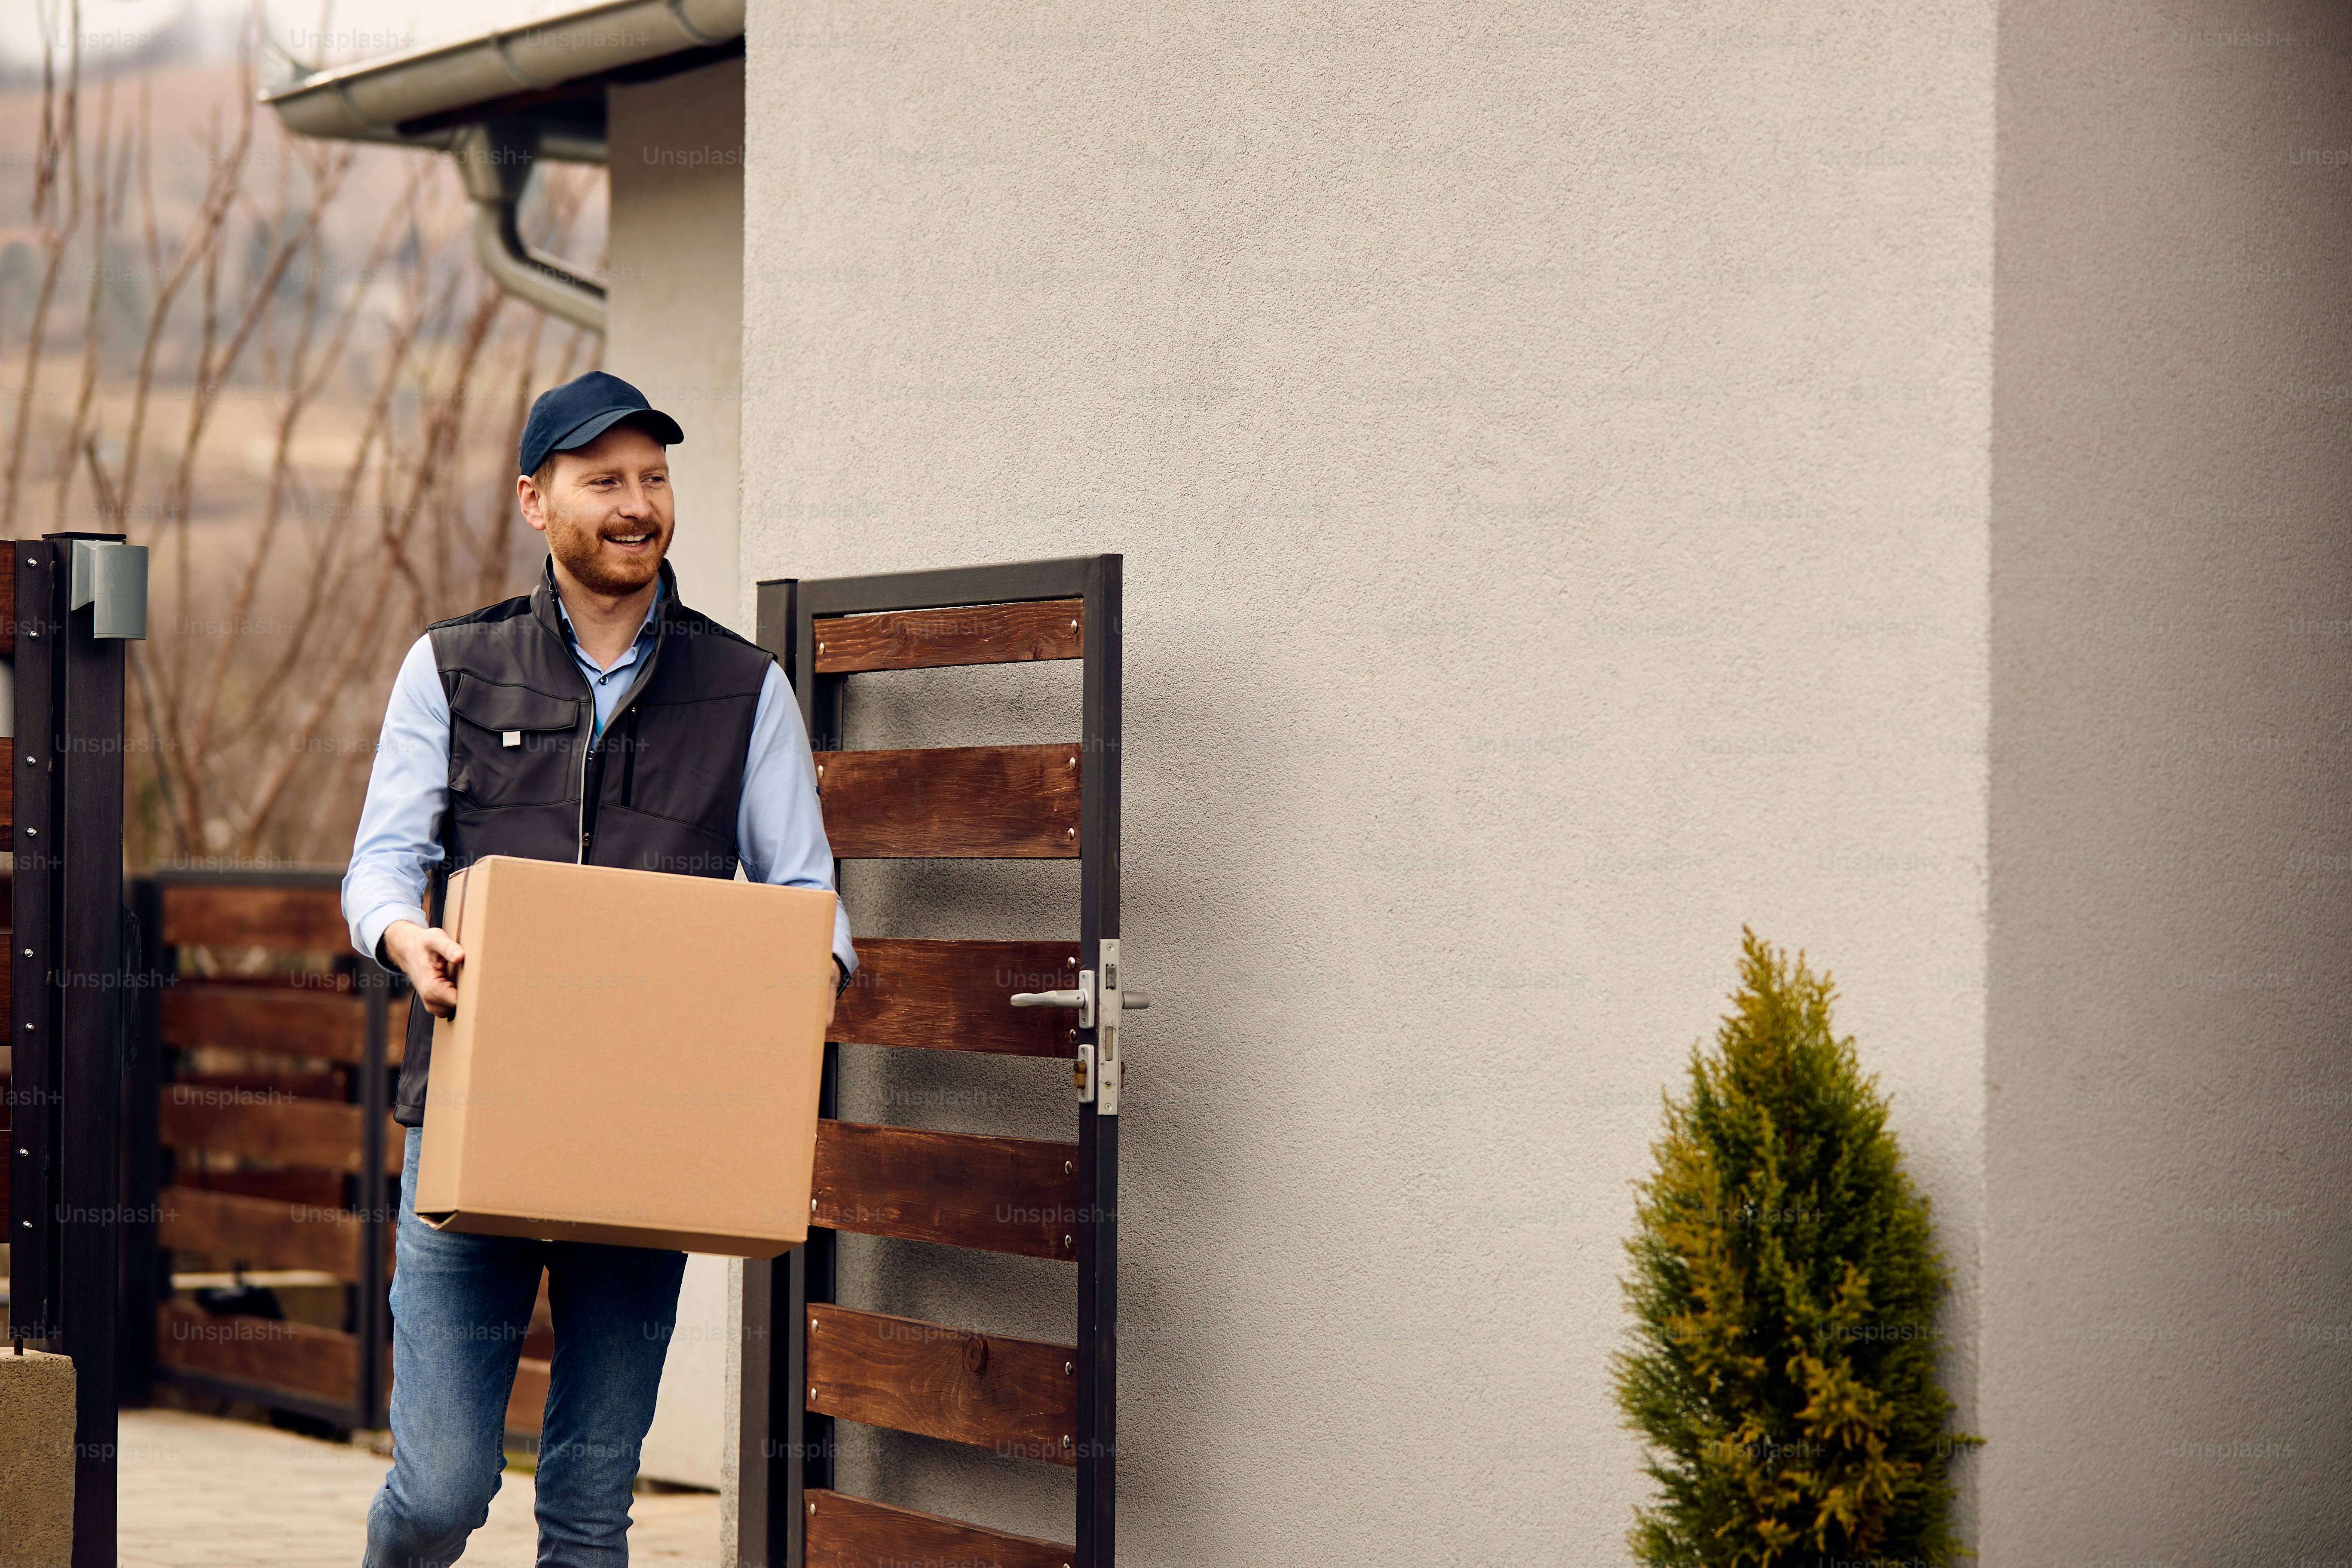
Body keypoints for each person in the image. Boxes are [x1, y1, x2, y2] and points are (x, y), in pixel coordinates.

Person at [341, 370, 854, 1567]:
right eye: (605, 480)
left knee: (588, 1508)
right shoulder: (454, 668)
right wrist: (402, 937)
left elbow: (811, 908)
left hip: (649, 1142)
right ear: (537, 500)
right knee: (440, 1493)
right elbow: (381, 865)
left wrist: (795, 991)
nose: (638, 505)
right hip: (473, 1120)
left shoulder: (745, 691)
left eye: (655, 479)